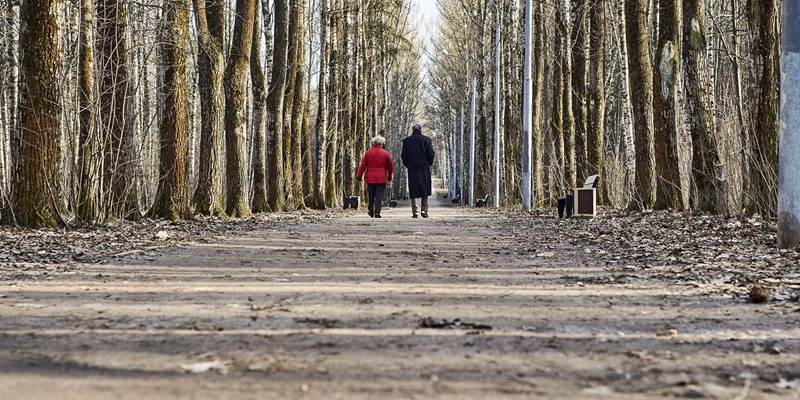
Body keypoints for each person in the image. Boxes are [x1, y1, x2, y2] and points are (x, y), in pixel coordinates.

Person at [401, 124, 435, 218]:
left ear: (412, 130)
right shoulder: (427, 140)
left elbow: (403, 155)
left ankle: (415, 211)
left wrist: (408, 164)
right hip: (424, 167)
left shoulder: (407, 141)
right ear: (421, 130)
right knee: (425, 187)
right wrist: (429, 163)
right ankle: (424, 210)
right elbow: (431, 153)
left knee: (413, 188)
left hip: (412, 167)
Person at [356, 136, 394, 218]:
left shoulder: (368, 153)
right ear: (382, 143)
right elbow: (390, 167)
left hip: (370, 178)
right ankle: (377, 212)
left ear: (373, 143)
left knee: (371, 195)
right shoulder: (386, 154)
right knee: (379, 197)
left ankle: (370, 210)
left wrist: (359, 176)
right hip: (381, 178)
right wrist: (390, 176)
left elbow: (362, 165)